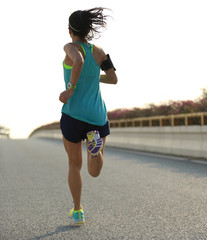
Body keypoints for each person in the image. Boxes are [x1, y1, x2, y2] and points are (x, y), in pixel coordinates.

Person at [59, 7, 118, 224]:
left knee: (74, 164)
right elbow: (113, 78)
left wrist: (71, 89)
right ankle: (96, 150)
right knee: (94, 171)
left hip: (74, 114)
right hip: (96, 115)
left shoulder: (70, 46)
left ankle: (77, 210)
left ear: (70, 30)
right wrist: (94, 79)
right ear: (88, 30)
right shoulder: (99, 51)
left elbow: (79, 61)